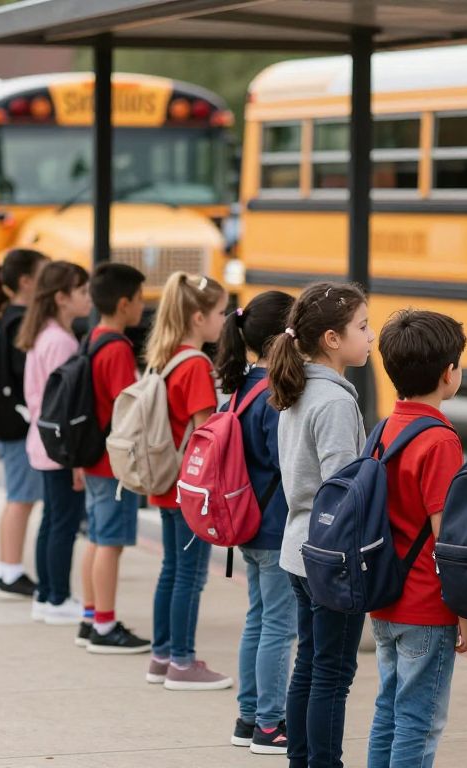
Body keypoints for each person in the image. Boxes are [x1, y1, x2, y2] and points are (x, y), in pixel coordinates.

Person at [268, 281, 374, 768]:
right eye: (362, 327)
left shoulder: (301, 389)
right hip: (330, 557)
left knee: (310, 665)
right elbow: (343, 489)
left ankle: (302, 760)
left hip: (299, 549)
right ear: (332, 339)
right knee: (332, 672)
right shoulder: (333, 402)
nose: (370, 337)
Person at [367, 309, 467, 768]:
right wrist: (464, 614)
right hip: (426, 606)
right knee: (419, 721)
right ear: (449, 374)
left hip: (384, 598)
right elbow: (445, 537)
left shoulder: (383, 428)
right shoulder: (439, 441)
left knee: (388, 711)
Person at [216, 291, 298, 755]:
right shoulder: (275, 394)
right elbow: (283, 462)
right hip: (274, 525)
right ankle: (270, 723)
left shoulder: (242, 385)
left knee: (259, 619)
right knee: (278, 627)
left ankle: (249, 716)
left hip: (245, 522)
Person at [144, 272, 231, 691]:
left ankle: (161, 656)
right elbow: (205, 435)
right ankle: (182, 661)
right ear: (198, 317)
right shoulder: (196, 365)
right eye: (219, 312)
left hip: (165, 484)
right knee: (190, 577)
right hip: (190, 490)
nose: (224, 319)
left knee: (170, 570)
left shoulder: (165, 356)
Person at [77, 262, 151, 654]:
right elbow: (130, 409)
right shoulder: (118, 349)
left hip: (92, 457)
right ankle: (105, 625)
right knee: (111, 543)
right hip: (114, 463)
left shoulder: (94, 338)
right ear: (124, 304)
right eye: (140, 299)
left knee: (96, 538)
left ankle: (91, 616)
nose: (143, 306)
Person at [17, 260, 92, 624]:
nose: (88, 297)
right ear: (61, 298)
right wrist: (77, 459)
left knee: (52, 520)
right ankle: (57, 596)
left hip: (41, 438)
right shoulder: (61, 341)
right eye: (81, 291)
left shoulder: (42, 334)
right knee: (63, 521)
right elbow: (67, 404)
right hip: (61, 445)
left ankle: (48, 594)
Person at [0, 249, 48, 599]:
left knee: (17, 497)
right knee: (20, 498)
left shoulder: (6, 317)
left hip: (6, 423)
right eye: (44, 275)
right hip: (19, 425)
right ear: (26, 281)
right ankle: (9, 571)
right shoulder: (22, 321)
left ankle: (8, 568)